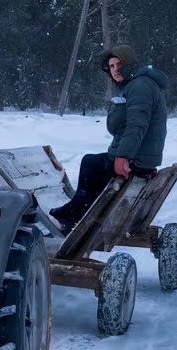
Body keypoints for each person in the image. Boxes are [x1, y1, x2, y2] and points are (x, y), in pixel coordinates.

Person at [49, 44, 168, 233]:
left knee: (91, 163)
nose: (115, 70)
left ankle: (77, 215)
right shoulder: (136, 85)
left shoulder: (140, 86)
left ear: (129, 64)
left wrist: (123, 156)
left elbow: (137, 125)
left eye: (119, 64)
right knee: (94, 164)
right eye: (111, 66)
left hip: (137, 158)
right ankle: (80, 209)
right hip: (140, 155)